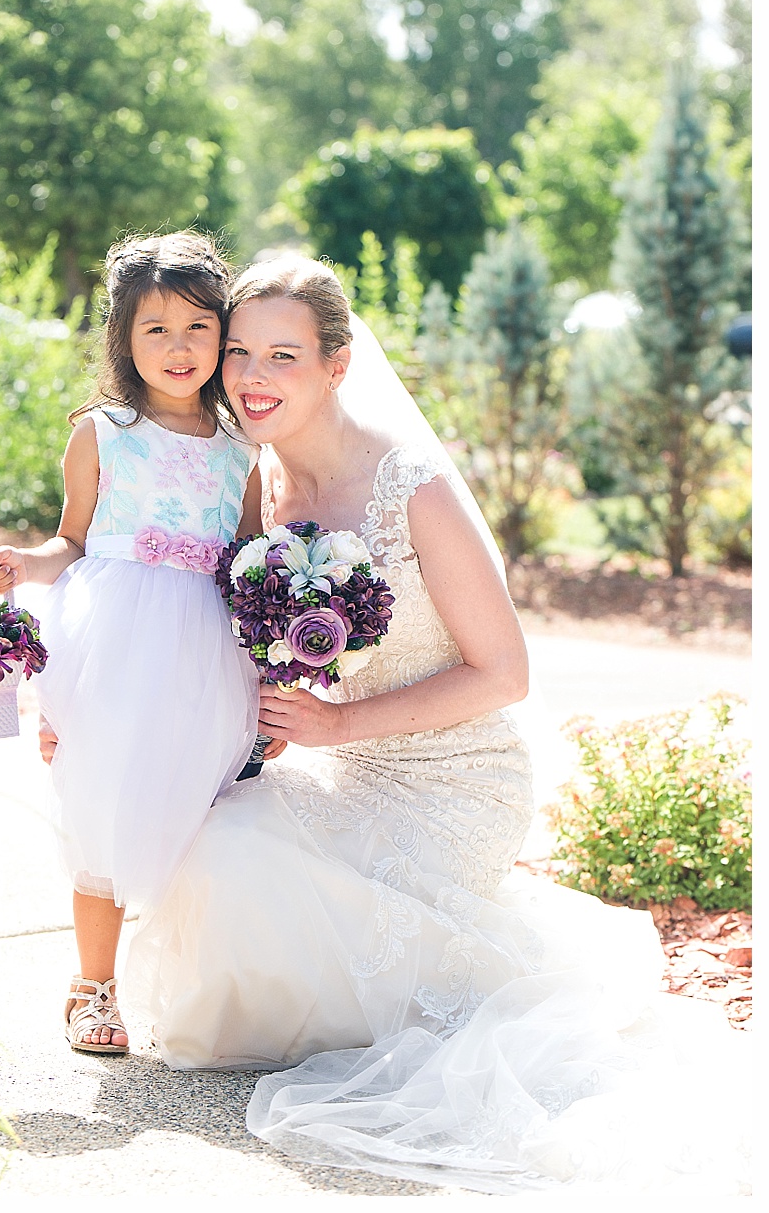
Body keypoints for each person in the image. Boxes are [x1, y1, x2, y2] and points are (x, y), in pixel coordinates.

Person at [127, 251, 747, 1192]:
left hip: (458, 780)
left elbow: (505, 671)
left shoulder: (408, 483)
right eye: (241, 352)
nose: (253, 378)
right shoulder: (256, 484)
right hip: (345, 770)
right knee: (208, 848)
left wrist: (338, 725)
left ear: (337, 365)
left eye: (284, 355)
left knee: (255, 880)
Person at [0, 234, 259, 1060]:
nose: (179, 348)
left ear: (223, 334)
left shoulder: (242, 453)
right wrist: (25, 565)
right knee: (103, 812)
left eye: (198, 328)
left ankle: (186, 977)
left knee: (193, 810)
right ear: (124, 341)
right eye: (156, 330)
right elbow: (73, 540)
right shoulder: (105, 432)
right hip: (114, 641)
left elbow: (246, 567)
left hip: (203, 653)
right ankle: (92, 982)